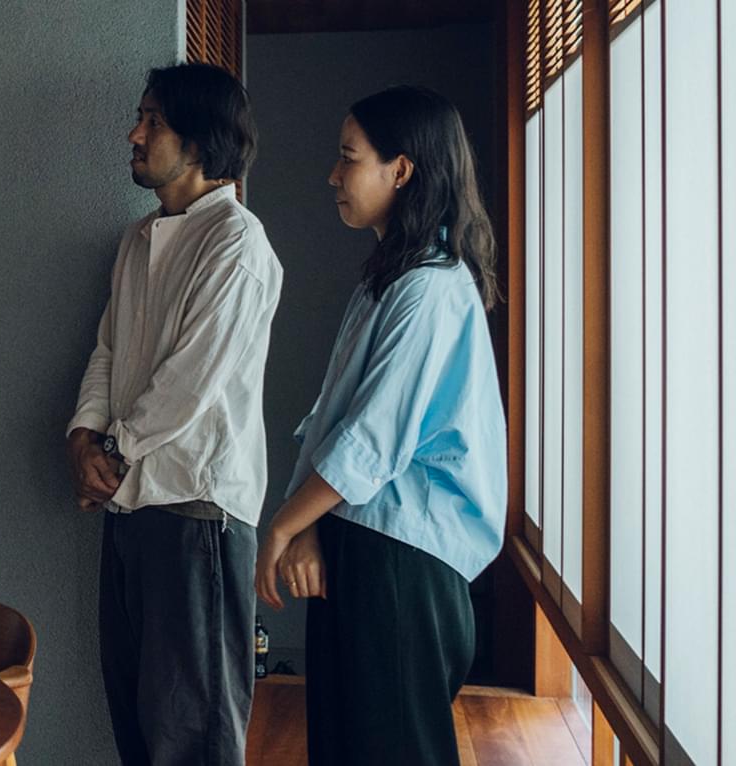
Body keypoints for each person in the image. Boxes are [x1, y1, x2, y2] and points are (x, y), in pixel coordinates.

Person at [254, 85, 508, 765]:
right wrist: (309, 526)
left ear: (401, 170)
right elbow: (336, 424)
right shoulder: (392, 278)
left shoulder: (429, 286)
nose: (333, 175)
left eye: (349, 157)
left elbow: (371, 441)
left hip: (401, 563)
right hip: (368, 545)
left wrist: (283, 526)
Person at [68, 62, 279, 765]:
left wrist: (113, 452)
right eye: (141, 118)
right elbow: (109, 349)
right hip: (130, 505)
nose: (134, 134)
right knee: (137, 726)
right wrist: (83, 439)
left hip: (196, 512)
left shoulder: (237, 242)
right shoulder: (137, 239)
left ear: (199, 141)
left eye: (153, 121)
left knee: (194, 738)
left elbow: (193, 379)